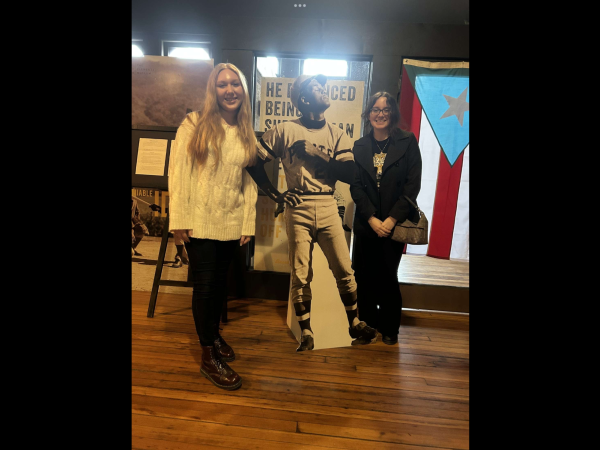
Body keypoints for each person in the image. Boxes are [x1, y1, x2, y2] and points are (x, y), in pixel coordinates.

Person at [246, 73, 377, 352]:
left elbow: (350, 172)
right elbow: (253, 162)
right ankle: (306, 331)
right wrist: (276, 194)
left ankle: (355, 323)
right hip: (299, 205)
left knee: (344, 268)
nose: (324, 89)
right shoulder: (284, 130)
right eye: (317, 87)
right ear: (304, 99)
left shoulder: (337, 133)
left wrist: (317, 153)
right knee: (300, 272)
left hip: (328, 203)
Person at [168, 63, 258, 390]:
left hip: (230, 221)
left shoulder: (246, 131)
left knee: (219, 285)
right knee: (205, 287)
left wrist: (247, 221)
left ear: (243, 90)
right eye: (223, 85)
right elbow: (178, 173)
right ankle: (208, 355)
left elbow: (249, 184)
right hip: (200, 222)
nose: (230, 90)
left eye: (235, 84)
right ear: (213, 90)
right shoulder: (194, 124)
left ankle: (214, 336)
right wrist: (179, 220)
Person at [349, 92, 422, 345]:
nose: (380, 114)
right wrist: (371, 218)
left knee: (388, 276)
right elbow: (356, 187)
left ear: (392, 113)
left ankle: (390, 328)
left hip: (395, 223)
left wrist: (391, 220)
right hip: (367, 224)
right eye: (375, 109)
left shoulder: (407, 141)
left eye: (385, 109)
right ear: (368, 114)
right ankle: (367, 326)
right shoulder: (359, 146)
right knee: (364, 277)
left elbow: (412, 186)